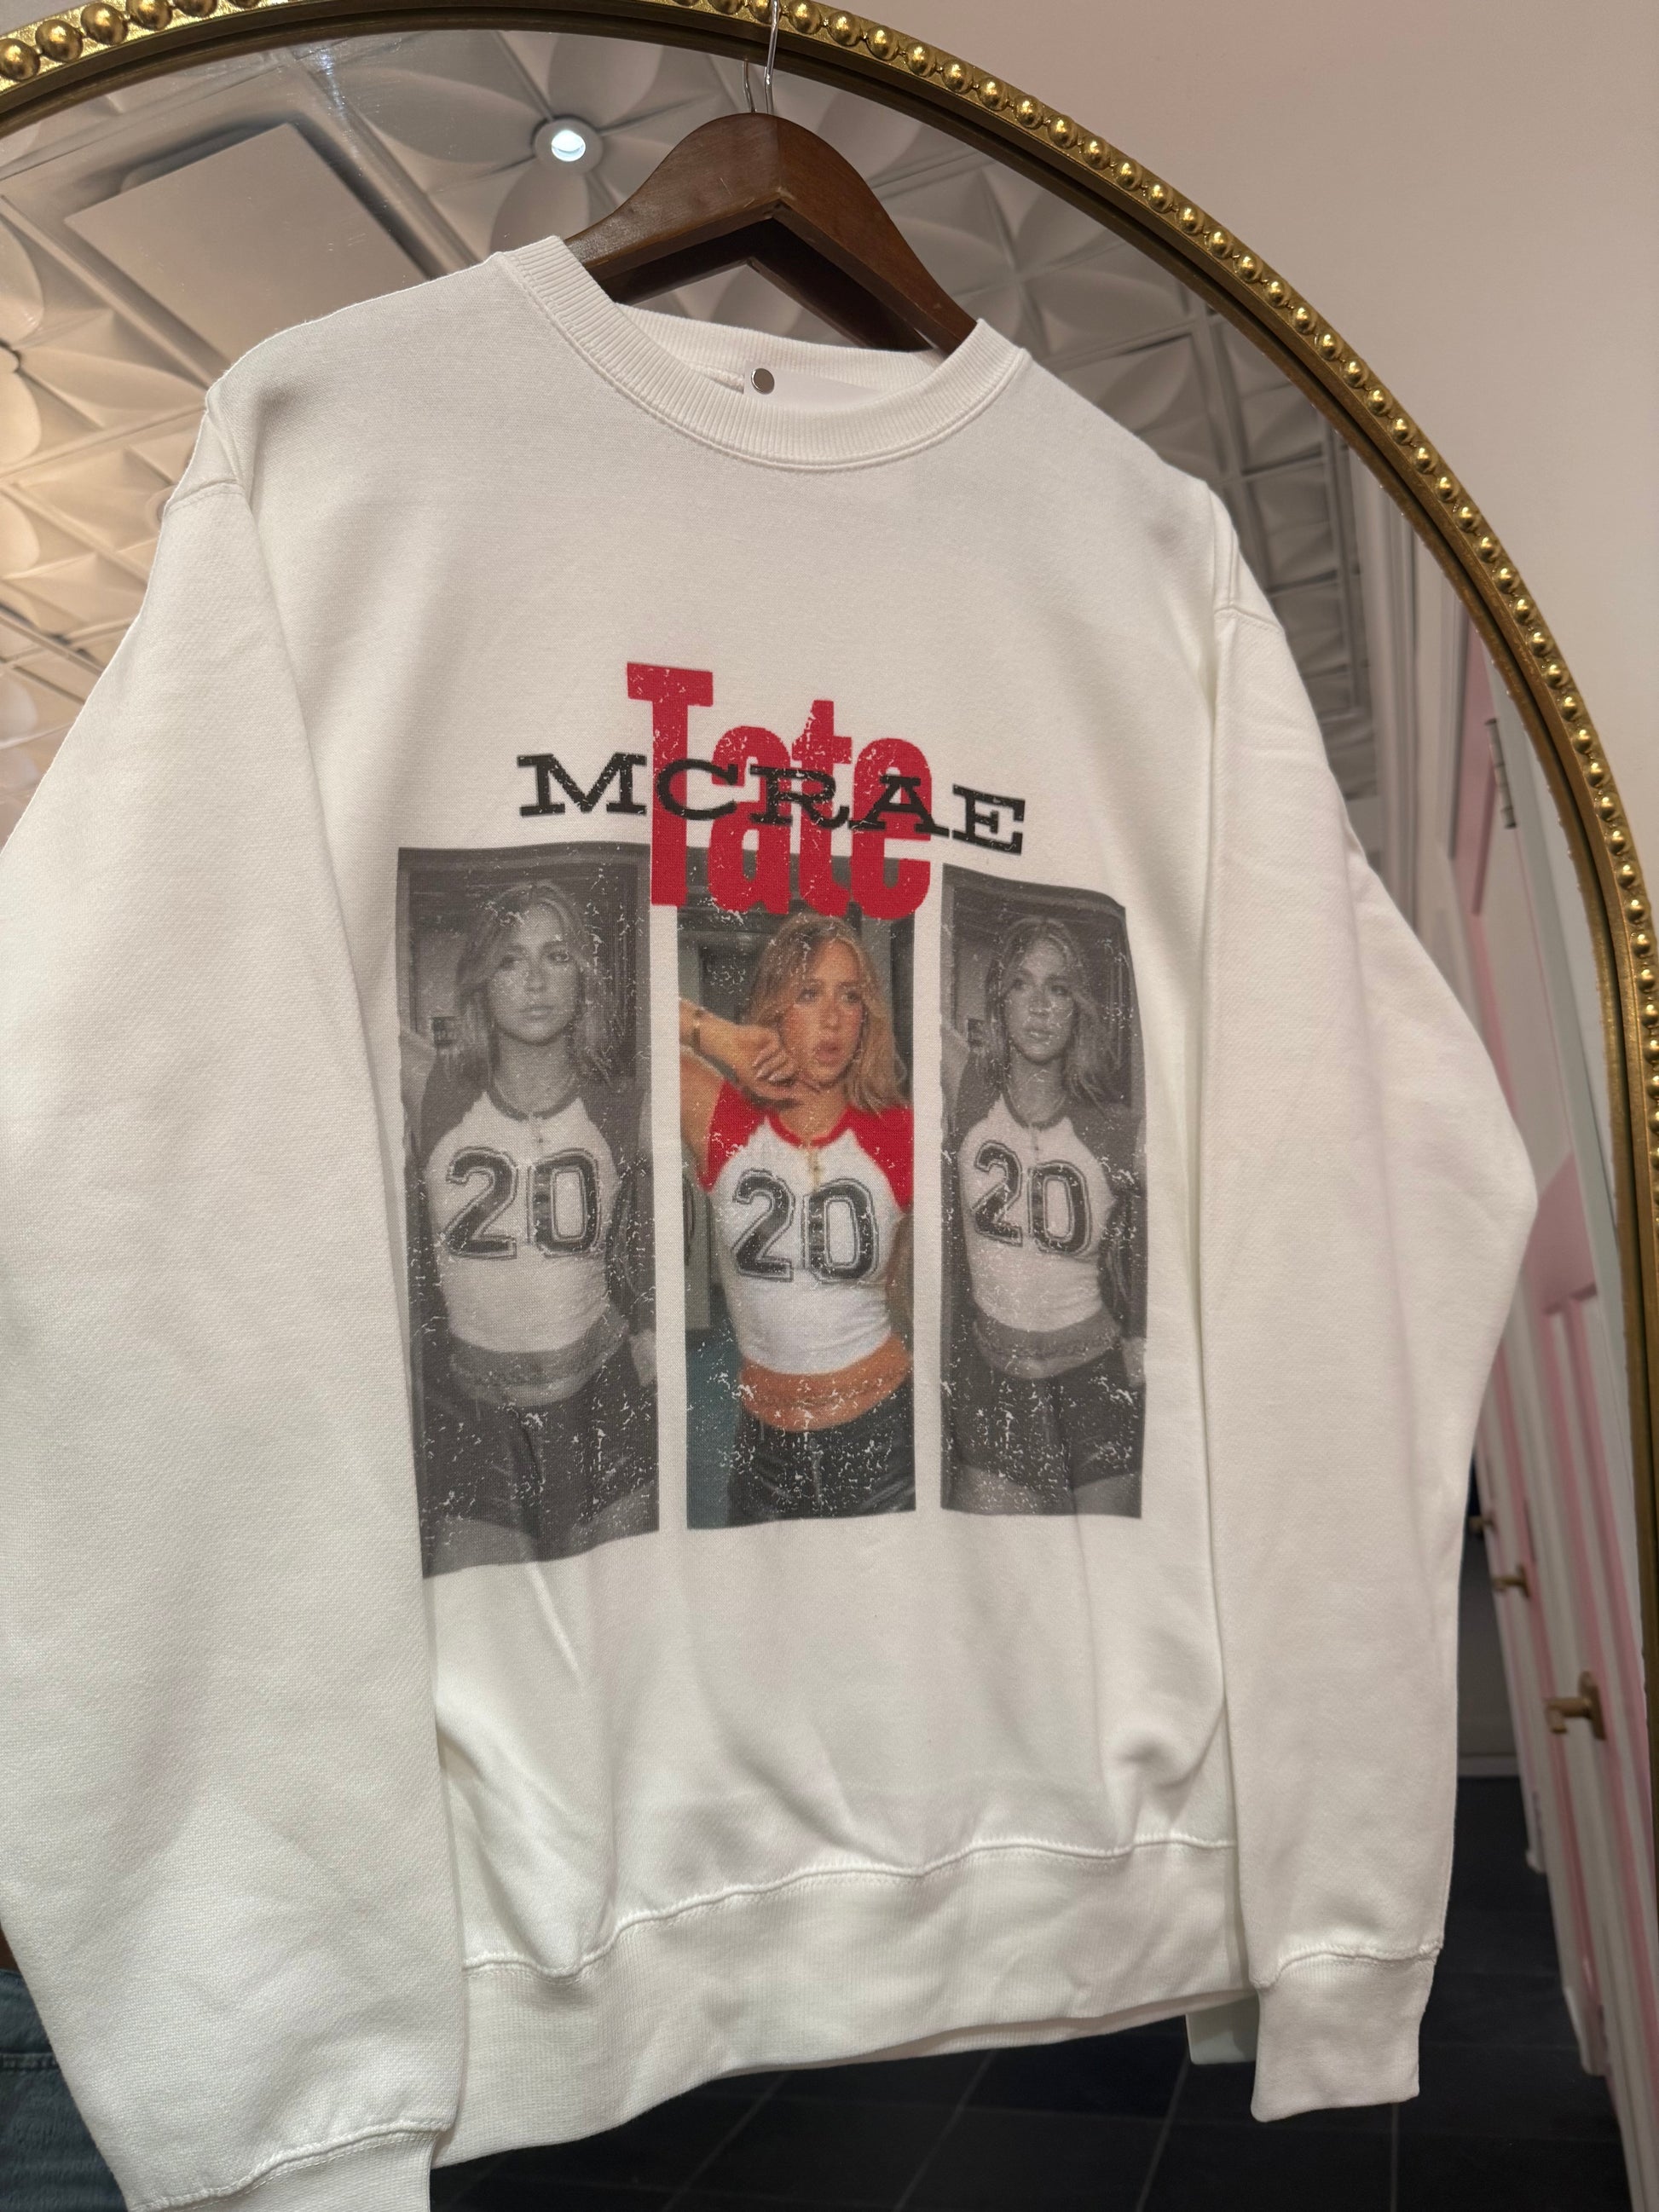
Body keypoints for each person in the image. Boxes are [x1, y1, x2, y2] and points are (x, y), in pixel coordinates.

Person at [411, 878, 655, 1566]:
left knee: (614, 1614)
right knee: (482, 1618)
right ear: (482, 980)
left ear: (584, 975)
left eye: (557, 955)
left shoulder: (626, 1102)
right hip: (476, 1417)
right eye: (511, 960)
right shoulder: (432, 1089)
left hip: (601, 1403)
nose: (536, 982)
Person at [680, 910, 914, 1523]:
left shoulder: (897, 1130)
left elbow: (907, 1278)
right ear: (776, 1007)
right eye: (808, 994)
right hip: (764, 1450)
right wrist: (724, 1038)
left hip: (882, 1443)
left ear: (865, 1017)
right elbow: (625, 1014)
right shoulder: (725, 1120)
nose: (832, 1018)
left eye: (849, 996)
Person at [945, 912, 1145, 1514]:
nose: (1038, 1007)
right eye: (1021, 985)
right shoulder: (967, 1092)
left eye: (1057, 989)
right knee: (996, 1566)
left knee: (1101, 1566)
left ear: (1077, 1007)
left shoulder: (1116, 1130)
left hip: (1093, 1382)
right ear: (1000, 1002)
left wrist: (1143, 1334)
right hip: (992, 1380)